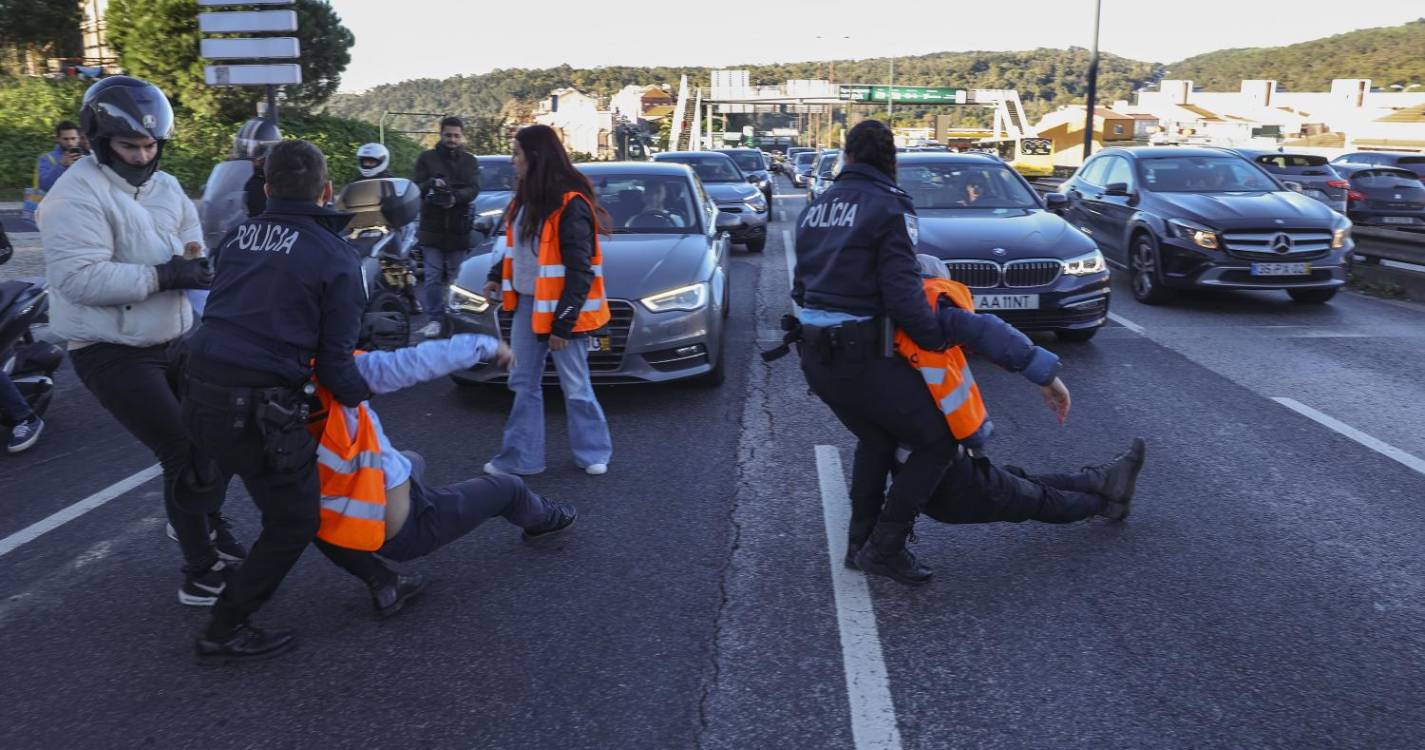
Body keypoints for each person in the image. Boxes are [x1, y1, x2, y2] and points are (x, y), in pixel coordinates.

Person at [38, 76, 242, 605]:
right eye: (130, 146)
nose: (142, 156)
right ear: (99, 141)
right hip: (109, 350)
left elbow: (193, 248)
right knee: (182, 449)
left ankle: (201, 520)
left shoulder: (167, 187)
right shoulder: (73, 196)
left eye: (151, 145)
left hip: (174, 338)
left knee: (220, 434)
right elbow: (78, 280)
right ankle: (200, 573)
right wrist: (164, 275)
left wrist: (198, 270)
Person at [183, 138, 373, 664]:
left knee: (279, 503)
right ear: (327, 191)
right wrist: (365, 394)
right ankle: (224, 628)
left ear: (267, 189)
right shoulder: (337, 256)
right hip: (256, 410)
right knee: (295, 519)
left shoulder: (236, 236)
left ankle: (378, 578)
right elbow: (336, 364)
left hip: (197, 390)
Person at [854, 255, 1146, 565]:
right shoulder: (929, 309)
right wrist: (1045, 375)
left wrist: (857, 539)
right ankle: (1105, 502)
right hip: (943, 482)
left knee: (1018, 482)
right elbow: (985, 330)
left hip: (943, 471)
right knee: (1033, 498)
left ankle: (1102, 480)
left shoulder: (883, 328)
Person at [781, 119, 954, 586]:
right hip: (860, 355)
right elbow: (902, 294)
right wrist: (938, 338)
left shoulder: (817, 207)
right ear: (890, 160)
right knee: (938, 441)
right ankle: (886, 548)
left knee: (877, 438)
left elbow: (800, 287)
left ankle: (859, 544)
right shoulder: (889, 206)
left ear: (848, 156)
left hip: (816, 358)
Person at [302, 330, 578, 616]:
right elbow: (414, 362)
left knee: (411, 459)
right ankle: (546, 520)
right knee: (509, 488)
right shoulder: (336, 372)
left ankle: (382, 580)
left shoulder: (277, 398)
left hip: (334, 519)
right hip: (400, 528)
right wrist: (487, 346)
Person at [480, 124, 614, 478]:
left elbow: (580, 271)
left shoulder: (571, 204)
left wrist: (562, 325)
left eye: (517, 154)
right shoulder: (523, 201)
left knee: (576, 386)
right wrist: (496, 274)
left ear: (535, 157)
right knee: (522, 383)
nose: (513, 161)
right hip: (527, 305)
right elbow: (516, 249)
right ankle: (520, 459)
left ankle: (593, 452)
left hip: (561, 313)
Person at [413, 116, 480, 338]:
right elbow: (416, 187)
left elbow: (474, 189)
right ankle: (435, 320)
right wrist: (432, 183)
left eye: (456, 136)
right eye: (448, 135)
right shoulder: (426, 158)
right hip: (431, 226)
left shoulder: (469, 161)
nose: (452, 139)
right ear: (440, 134)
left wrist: (455, 197)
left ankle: (457, 321)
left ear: (462, 137)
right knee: (432, 276)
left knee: (457, 277)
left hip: (459, 227)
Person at [36, 120, 86, 194]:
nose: (70, 143)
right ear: (57, 139)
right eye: (65, 139)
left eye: (73, 138)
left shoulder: (87, 157)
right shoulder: (47, 158)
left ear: (78, 138)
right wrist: (62, 165)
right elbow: (44, 186)